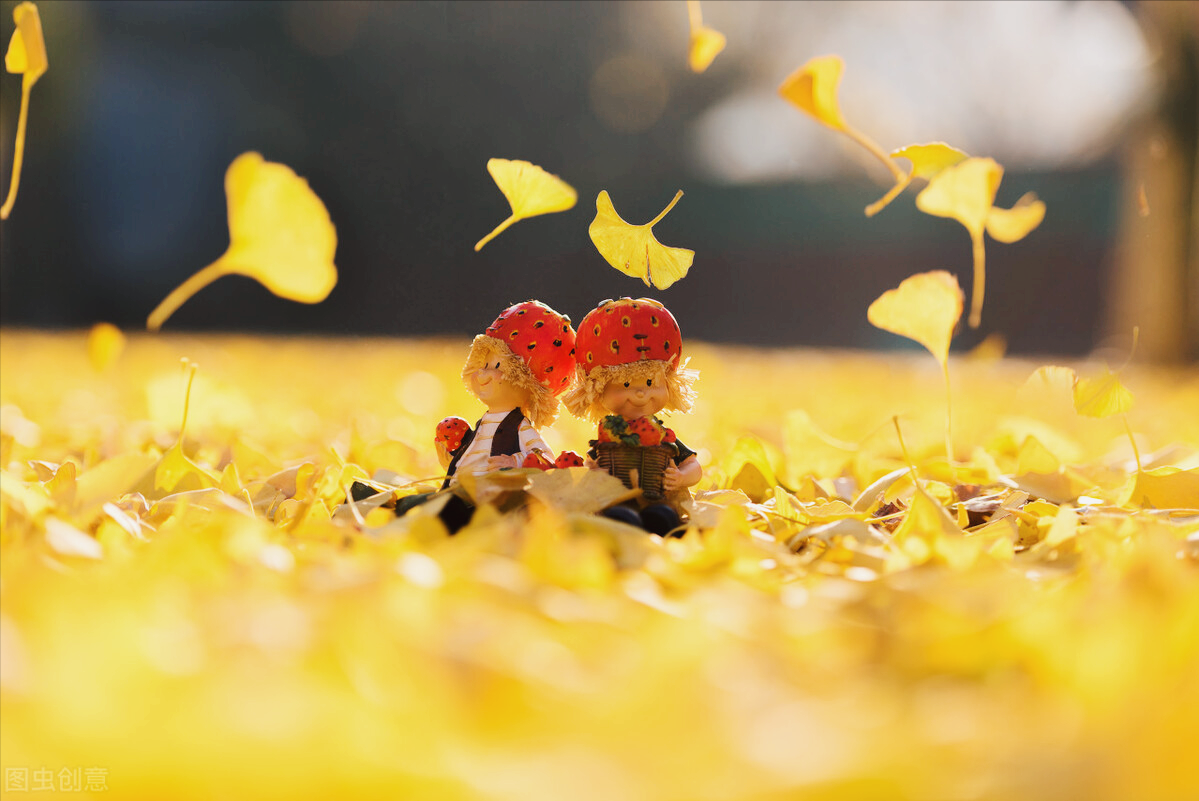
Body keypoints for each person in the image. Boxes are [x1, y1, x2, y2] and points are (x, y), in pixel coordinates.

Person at [351, 300, 577, 533]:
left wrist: (515, 462)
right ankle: (380, 500)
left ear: (528, 382)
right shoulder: (486, 422)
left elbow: (544, 457)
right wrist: (454, 455)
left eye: (497, 365)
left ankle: (388, 510)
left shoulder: (520, 427)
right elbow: (476, 453)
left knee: (435, 509)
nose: (484, 374)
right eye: (486, 363)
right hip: (460, 490)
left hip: (481, 502)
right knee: (434, 503)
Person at [562, 297, 701, 536]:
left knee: (664, 515)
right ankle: (623, 526)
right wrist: (594, 474)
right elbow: (592, 466)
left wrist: (680, 477)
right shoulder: (608, 436)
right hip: (616, 499)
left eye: (649, 382)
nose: (639, 393)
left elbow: (694, 466)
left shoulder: (663, 436)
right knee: (617, 515)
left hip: (658, 499)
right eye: (625, 384)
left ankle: (665, 528)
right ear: (599, 390)